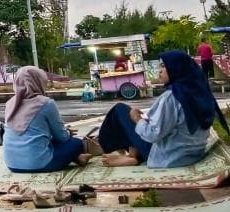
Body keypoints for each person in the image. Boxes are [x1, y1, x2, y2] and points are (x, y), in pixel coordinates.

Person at [98, 50, 230, 168]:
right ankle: (133, 155)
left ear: (176, 69)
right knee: (131, 119)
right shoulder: (200, 92)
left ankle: (129, 156)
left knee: (120, 110)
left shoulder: (172, 97)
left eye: (163, 66)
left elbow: (152, 135)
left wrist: (137, 118)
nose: (160, 70)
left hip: (169, 157)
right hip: (192, 153)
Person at [3, 66, 93, 172]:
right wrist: (68, 133)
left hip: (13, 165)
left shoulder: (10, 104)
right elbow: (62, 138)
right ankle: (76, 158)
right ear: (38, 82)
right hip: (40, 164)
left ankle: (78, 158)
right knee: (76, 143)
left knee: (47, 143)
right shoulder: (46, 103)